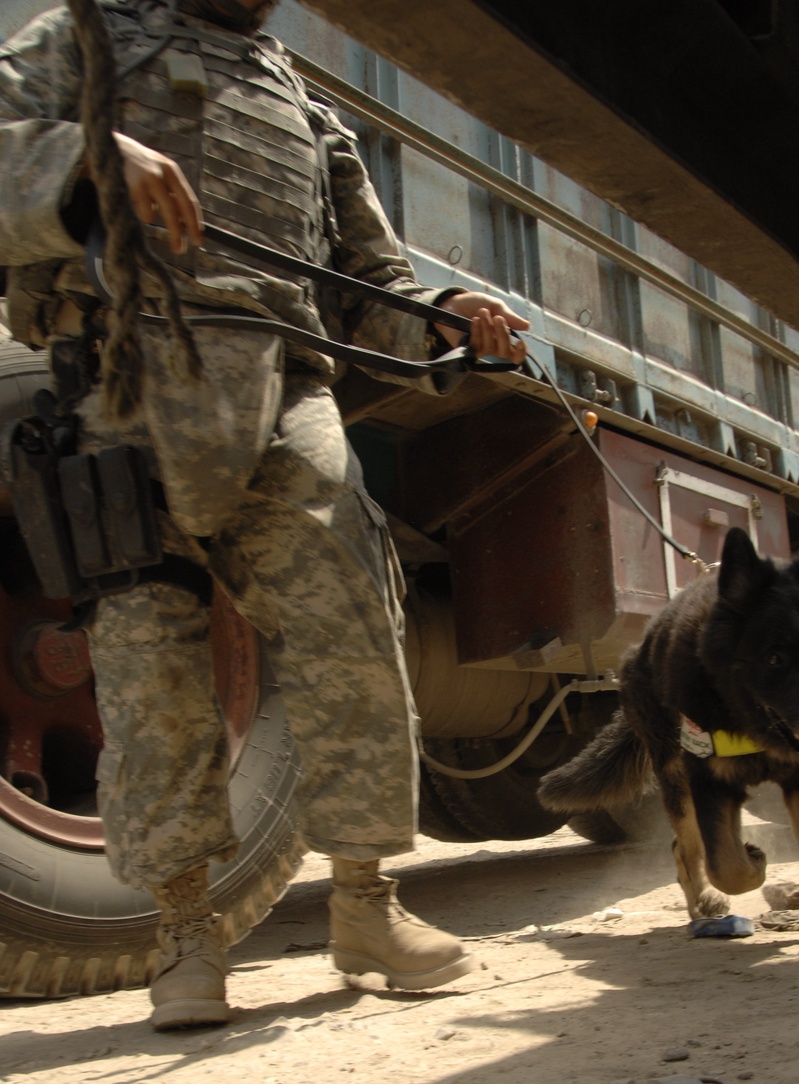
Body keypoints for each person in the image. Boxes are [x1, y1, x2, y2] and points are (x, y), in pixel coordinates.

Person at [0, 0, 529, 1029]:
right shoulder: (82, 37)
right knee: (152, 669)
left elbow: (368, 284)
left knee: (352, 629)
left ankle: (367, 906)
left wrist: (445, 319)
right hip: (121, 380)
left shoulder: (299, 100)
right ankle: (185, 937)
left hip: (286, 387)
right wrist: (87, 157)